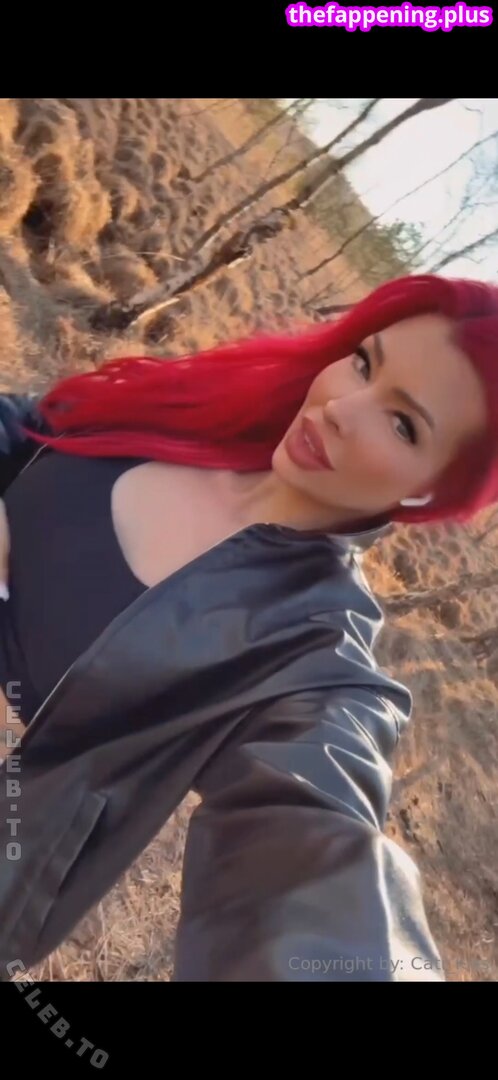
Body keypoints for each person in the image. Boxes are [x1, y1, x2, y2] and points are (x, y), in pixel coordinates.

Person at [0, 272, 496, 982]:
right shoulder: (213, 412)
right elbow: (32, 423)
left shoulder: (310, 658)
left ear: (429, 490)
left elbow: (318, 846)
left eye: (403, 424)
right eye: (364, 362)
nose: (340, 408)